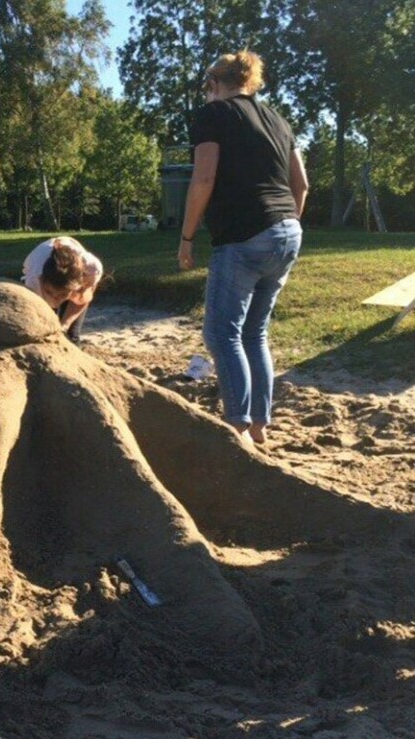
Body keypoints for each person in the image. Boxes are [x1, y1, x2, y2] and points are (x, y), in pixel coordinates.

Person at [177, 51, 309, 445]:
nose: (206, 95)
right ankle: (259, 426)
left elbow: (203, 179)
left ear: (215, 84)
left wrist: (186, 239)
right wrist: (285, 224)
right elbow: (301, 184)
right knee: (255, 333)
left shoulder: (212, 115)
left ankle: (237, 429)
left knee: (222, 335)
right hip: (287, 231)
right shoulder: (279, 120)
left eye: (207, 88)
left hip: (243, 237)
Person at [22, 236, 103, 344]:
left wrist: (64, 325)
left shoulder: (91, 269)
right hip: (39, 274)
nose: (56, 299)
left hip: (76, 278)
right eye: (50, 292)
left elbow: (82, 300)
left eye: (62, 295)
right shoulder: (34, 279)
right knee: (43, 331)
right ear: (42, 281)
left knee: (71, 335)